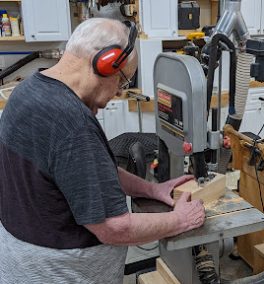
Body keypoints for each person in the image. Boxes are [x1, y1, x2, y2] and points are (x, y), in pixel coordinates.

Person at [0, 18, 205, 284]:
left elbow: (86, 173)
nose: (119, 93)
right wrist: (180, 220)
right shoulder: (71, 122)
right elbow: (114, 228)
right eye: (122, 82)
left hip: (21, 259)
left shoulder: (29, 90)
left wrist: (152, 190)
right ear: (106, 63)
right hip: (58, 273)